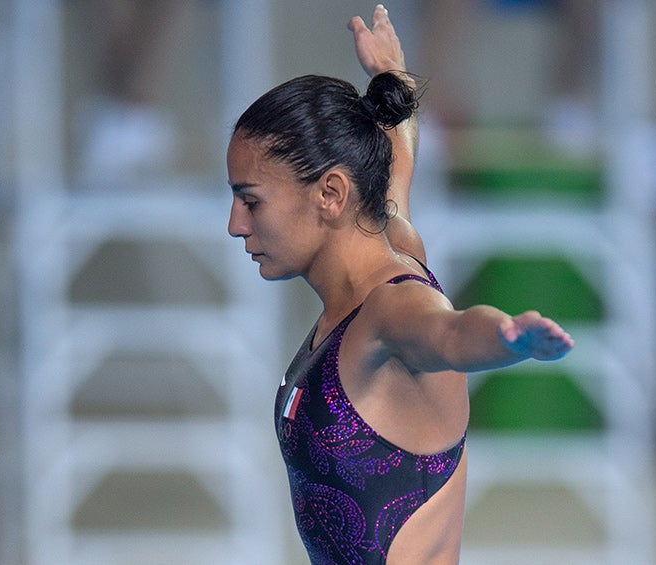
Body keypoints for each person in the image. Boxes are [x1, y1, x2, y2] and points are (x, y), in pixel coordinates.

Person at [226, 5, 574, 564]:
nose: (235, 224)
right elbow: (398, 159)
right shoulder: (392, 240)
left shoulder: (392, 308)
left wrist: (509, 338)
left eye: (251, 201)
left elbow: (452, 334)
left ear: (331, 195)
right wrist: (392, 77)